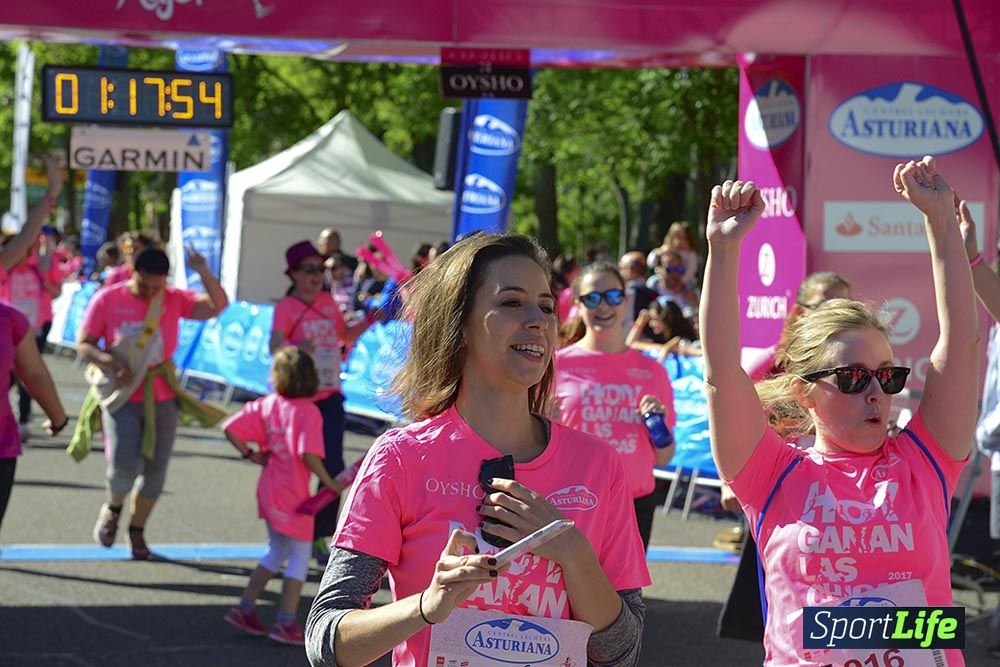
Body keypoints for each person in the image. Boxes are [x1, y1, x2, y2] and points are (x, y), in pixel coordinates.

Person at [306, 233, 649, 667]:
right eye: (511, 303)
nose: (538, 321)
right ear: (460, 324)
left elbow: (622, 652)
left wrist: (573, 552)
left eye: (546, 306)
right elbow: (326, 642)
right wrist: (428, 606)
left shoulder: (598, 464)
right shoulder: (401, 458)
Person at [700, 158, 975, 666]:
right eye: (852, 378)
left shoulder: (926, 463)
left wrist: (939, 220)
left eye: (887, 376)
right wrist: (724, 247)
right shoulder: (772, 473)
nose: (876, 392)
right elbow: (721, 372)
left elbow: (960, 345)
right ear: (805, 394)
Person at [715, 271, 850, 642]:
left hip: (834, 500)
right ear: (798, 313)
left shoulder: (854, 367)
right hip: (778, 497)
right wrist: (730, 480)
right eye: (823, 305)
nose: (832, 316)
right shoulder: (768, 366)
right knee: (777, 605)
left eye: (841, 307)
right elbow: (730, 420)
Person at [76, 247, 229, 560]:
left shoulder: (172, 298)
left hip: (162, 394)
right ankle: (113, 508)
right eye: (144, 284)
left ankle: (137, 530)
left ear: (165, 281)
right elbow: (84, 343)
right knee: (123, 463)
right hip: (121, 394)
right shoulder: (107, 298)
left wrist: (202, 271)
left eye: (156, 287)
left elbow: (217, 306)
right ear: (132, 270)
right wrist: (108, 361)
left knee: (157, 470)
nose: (149, 292)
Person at [222, 347, 346, 646]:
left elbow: (230, 427)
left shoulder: (266, 404)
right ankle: (285, 622)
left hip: (269, 486)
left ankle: (245, 607)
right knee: (299, 558)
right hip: (293, 493)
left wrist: (251, 454)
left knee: (276, 551)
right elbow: (307, 454)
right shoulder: (308, 412)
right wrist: (330, 482)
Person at [553, 261, 676, 550]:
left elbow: (664, 457)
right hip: (573, 501)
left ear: (625, 300)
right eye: (592, 298)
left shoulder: (652, 372)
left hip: (634, 503)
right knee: (570, 594)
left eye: (613, 296)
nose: (603, 306)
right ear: (579, 304)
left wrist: (656, 426)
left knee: (624, 596)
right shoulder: (557, 365)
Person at [270, 241, 372, 562]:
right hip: (301, 401)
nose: (317, 275)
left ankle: (319, 534)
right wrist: (299, 350)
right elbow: (275, 348)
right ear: (294, 274)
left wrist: (373, 317)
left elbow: (346, 336)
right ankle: (287, 531)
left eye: (321, 268)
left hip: (329, 397)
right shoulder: (286, 307)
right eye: (309, 269)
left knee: (333, 467)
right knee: (296, 469)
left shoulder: (328, 301)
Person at [0, 300, 68, 535]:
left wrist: (58, 417)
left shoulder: (10, 319)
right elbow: (33, 373)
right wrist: (58, 418)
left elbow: (33, 373)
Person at [648, 221, 700, 289]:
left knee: (692, 287)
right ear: (671, 237)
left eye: (685, 239)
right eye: (678, 238)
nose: (681, 242)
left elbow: (691, 271)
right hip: (664, 280)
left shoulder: (690, 254)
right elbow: (651, 263)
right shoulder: (666, 249)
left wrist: (681, 283)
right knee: (651, 282)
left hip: (684, 282)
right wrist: (658, 253)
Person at [618, 251, 658, 322]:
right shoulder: (655, 292)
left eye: (621, 268)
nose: (619, 272)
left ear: (630, 270)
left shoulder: (626, 295)